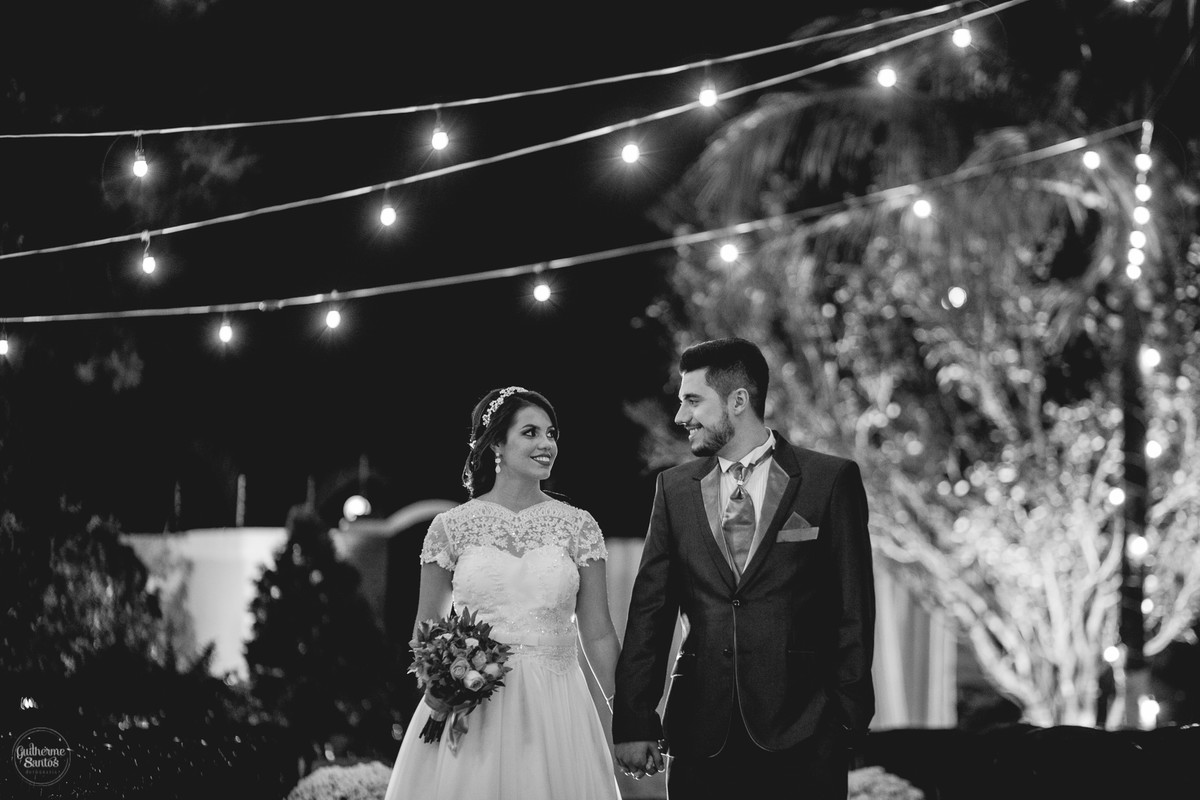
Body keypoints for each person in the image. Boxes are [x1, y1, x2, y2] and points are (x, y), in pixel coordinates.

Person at [612, 337, 876, 800]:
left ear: (738, 400)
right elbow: (650, 611)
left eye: (693, 400)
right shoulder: (674, 490)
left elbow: (854, 605)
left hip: (806, 729)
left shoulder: (829, 480)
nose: (680, 417)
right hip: (700, 731)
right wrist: (634, 719)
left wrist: (847, 714)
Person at [383, 386, 622, 800]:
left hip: (558, 705)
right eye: (530, 432)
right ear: (496, 441)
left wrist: (627, 711)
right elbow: (426, 626)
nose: (546, 443)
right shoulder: (450, 527)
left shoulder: (578, 526)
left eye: (552, 433)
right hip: (474, 705)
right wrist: (443, 679)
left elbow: (598, 632)